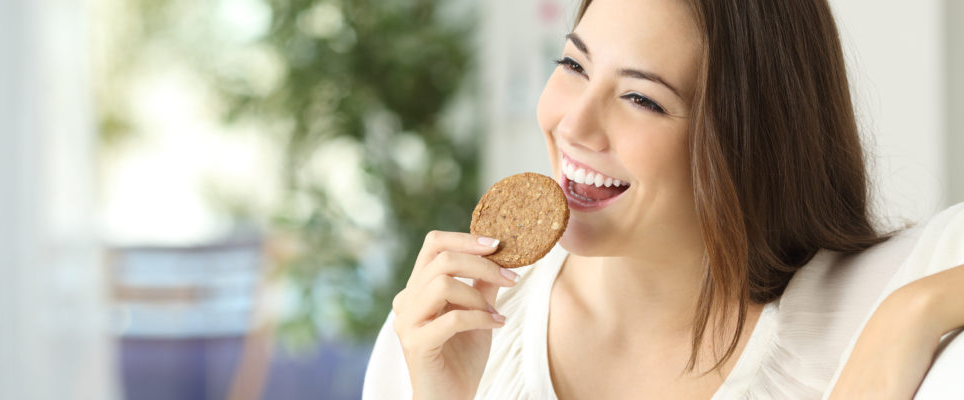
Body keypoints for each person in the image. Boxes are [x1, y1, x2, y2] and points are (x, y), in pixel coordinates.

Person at [362, 0, 964, 398]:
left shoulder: (904, 285)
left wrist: (905, 319)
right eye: (573, 64)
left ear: (751, 141)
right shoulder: (438, 332)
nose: (574, 124)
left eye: (641, 99)